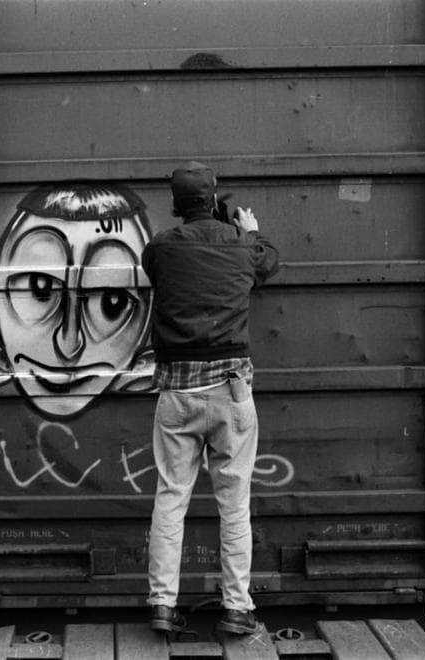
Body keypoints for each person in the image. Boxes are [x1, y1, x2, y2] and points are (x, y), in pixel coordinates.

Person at [141, 162, 280, 635]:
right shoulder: (241, 244)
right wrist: (250, 230)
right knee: (234, 505)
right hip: (230, 392)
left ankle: (162, 605)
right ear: (215, 196)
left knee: (170, 499)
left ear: (175, 203)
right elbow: (267, 263)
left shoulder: (159, 247)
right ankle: (237, 609)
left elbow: (164, 267)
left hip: (177, 394)